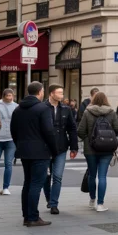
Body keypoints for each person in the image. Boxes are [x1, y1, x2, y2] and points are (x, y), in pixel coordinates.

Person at [13, 82, 58, 226]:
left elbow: (14, 130)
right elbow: (49, 131)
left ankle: (27, 216)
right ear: (40, 92)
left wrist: (20, 144)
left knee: (27, 182)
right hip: (40, 151)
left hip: (24, 151)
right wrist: (54, 150)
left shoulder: (18, 109)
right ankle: (33, 217)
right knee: (36, 184)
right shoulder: (43, 108)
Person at [77, 92, 118, 211]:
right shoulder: (111, 112)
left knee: (92, 175)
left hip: (90, 149)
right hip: (107, 148)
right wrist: (109, 138)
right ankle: (100, 204)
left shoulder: (87, 112)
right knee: (102, 176)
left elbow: (80, 131)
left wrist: (88, 139)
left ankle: (92, 200)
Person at [42, 85, 78, 215]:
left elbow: (72, 129)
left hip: (61, 147)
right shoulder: (42, 108)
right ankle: (49, 198)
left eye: (62, 93)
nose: (62, 95)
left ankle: (54, 204)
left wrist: (74, 147)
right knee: (45, 176)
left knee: (57, 176)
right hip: (45, 148)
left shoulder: (66, 109)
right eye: (59, 93)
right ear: (51, 94)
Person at [0, 89, 17, 195]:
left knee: (8, 163)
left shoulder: (16, 106)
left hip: (11, 139)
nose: (9, 97)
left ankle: (6, 187)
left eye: (11, 95)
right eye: (7, 95)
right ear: (3, 96)